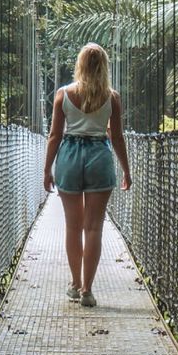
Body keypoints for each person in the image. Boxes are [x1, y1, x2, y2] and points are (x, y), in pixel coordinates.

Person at [43, 43, 132, 308]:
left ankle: (73, 283)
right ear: (104, 65)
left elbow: (55, 136)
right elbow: (116, 137)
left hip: (69, 156)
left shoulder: (63, 94)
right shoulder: (112, 97)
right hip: (99, 157)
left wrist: (47, 169)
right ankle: (87, 290)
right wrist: (127, 170)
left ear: (79, 64)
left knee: (73, 226)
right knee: (93, 228)